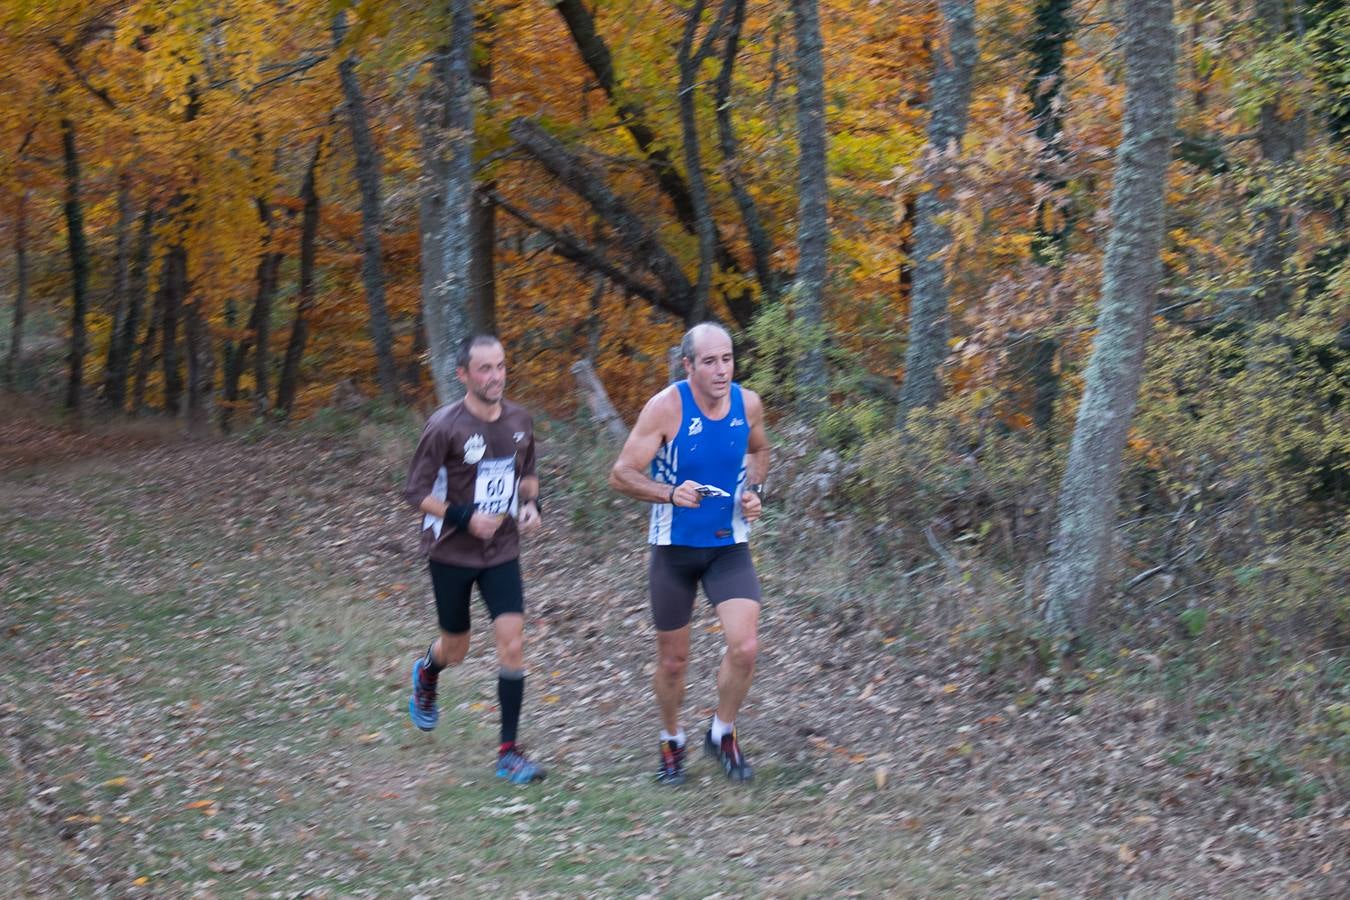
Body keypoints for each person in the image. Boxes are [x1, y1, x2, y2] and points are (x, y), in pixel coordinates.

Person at [608, 322, 770, 784]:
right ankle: (671, 741)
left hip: (727, 546)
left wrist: (756, 490)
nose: (722, 370)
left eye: (728, 359)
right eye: (710, 361)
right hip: (674, 550)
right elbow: (620, 474)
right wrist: (668, 493)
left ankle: (721, 733)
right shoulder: (665, 408)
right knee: (674, 661)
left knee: (745, 647)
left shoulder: (748, 403)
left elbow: (759, 450)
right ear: (688, 365)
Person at [403, 334, 546, 784]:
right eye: (484, 369)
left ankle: (508, 752)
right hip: (451, 551)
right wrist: (464, 517)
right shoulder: (444, 426)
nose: (496, 376)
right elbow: (415, 493)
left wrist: (530, 506)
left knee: (513, 643)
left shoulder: (520, 421)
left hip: (501, 550)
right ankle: (428, 671)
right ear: (463, 374)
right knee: (457, 649)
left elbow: (528, 475)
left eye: (501, 366)